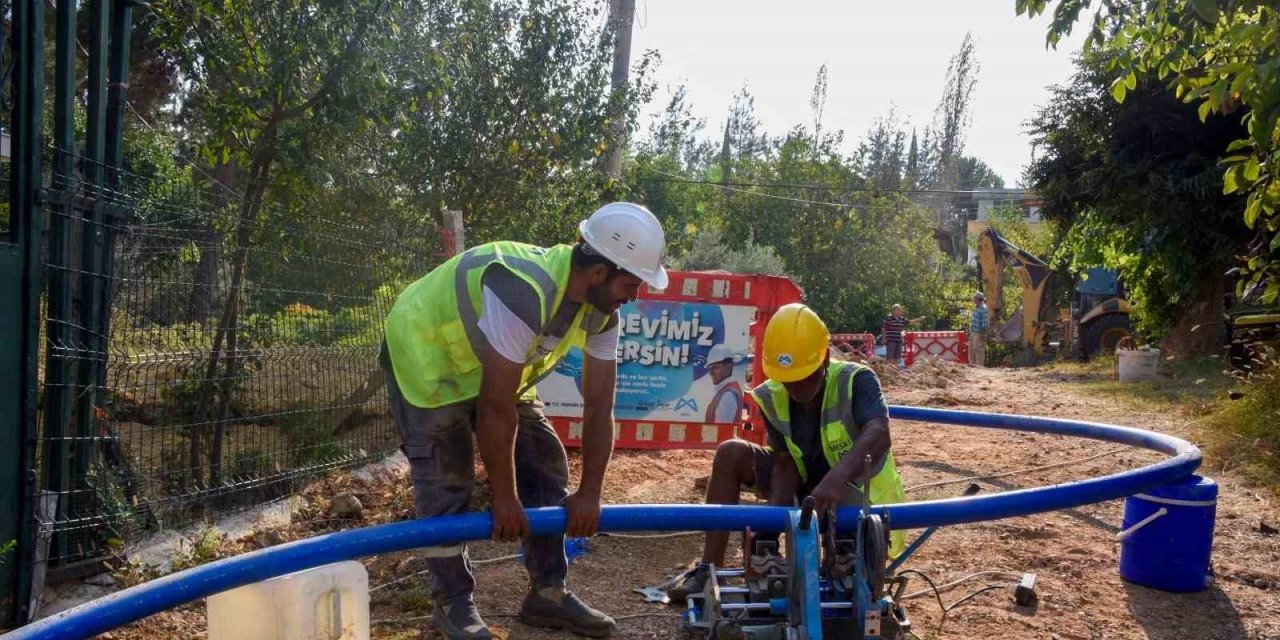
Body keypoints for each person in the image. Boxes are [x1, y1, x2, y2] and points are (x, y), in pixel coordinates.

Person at [381, 202, 668, 639]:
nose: (635, 295)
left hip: (492, 369)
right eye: (630, 283)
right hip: (428, 359)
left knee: (545, 461)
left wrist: (590, 493)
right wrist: (504, 497)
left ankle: (548, 593)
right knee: (446, 481)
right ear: (597, 273)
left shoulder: (602, 311)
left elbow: (598, 403)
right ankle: (452, 603)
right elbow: (495, 407)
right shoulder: (523, 290)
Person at [670, 303, 906, 599]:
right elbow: (785, 462)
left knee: (846, 573)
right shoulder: (773, 394)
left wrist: (833, 482)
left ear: (823, 358)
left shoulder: (856, 380)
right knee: (731, 452)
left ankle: (845, 552)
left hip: (858, 494)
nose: (794, 387)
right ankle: (708, 570)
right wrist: (767, 535)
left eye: (803, 376)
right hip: (806, 487)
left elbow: (879, 433)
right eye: (788, 378)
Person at [703, 344, 743, 424]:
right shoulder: (723, 391)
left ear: (729, 365)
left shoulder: (728, 395)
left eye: (715, 367)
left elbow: (723, 430)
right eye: (709, 368)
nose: (711, 373)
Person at [968, 292, 990, 367]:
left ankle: (979, 366)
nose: (974, 300)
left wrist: (983, 334)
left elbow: (984, 323)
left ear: (979, 299)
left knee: (978, 350)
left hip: (979, 333)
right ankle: (972, 365)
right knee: (971, 350)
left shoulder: (983, 309)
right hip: (973, 332)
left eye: (975, 298)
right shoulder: (976, 308)